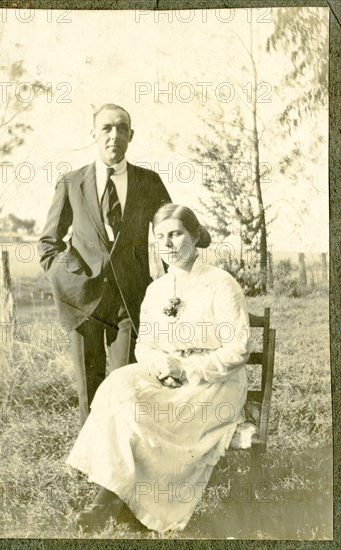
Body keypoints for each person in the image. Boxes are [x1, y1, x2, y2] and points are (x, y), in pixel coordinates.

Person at [66, 203, 251, 533]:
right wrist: (162, 365)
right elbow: (145, 345)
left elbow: (237, 348)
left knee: (143, 417)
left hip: (212, 383)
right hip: (169, 376)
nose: (168, 243)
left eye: (176, 233)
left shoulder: (221, 284)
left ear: (194, 235)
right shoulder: (156, 289)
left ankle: (112, 502)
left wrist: (189, 369)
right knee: (117, 386)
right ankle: (116, 497)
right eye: (160, 237)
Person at [38, 104, 171, 427]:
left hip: (131, 300)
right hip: (83, 300)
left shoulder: (148, 182)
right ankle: (90, 456)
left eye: (121, 128)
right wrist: (69, 278)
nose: (114, 135)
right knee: (89, 382)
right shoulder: (72, 183)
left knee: (128, 380)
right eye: (106, 128)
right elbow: (48, 244)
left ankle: (124, 452)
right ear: (93, 136)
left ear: (131, 135)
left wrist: (174, 282)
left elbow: (172, 228)